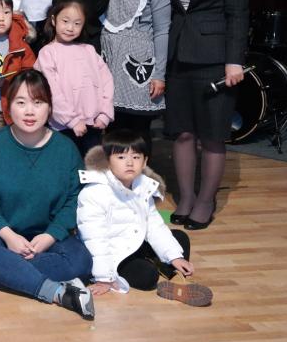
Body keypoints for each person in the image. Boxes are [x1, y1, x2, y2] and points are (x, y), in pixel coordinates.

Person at [0, 70, 95, 320]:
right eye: (21, 102)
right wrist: (8, 235)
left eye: (38, 102)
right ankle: (53, 291)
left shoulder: (66, 149)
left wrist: (49, 236)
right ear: (8, 106)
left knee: (81, 262)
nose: (29, 111)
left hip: (46, 237)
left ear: (50, 107)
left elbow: (75, 200)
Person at [164, 0, 249, 230]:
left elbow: (238, 14)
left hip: (215, 60)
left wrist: (234, 61)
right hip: (177, 59)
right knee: (182, 134)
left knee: (212, 135)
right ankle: (186, 197)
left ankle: (205, 200)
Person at [77, 130, 212, 306]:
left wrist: (174, 257)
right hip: (116, 253)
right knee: (147, 277)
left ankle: (172, 272)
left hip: (137, 241)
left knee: (179, 239)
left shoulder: (143, 185)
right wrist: (104, 277)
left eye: (136, 157)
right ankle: (161, 269)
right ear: (107, 161)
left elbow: (154, 225)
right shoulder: (94, 193)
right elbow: (95, 239)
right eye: (121, 157)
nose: (129, 163)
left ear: (145, 162)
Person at [100, 0, 171, 157]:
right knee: (111, 129)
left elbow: (162, 31)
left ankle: (138, 178)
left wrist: (159, 74)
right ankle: (112, 178)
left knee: (138, 132)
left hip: (139, 70)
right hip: (108, 65)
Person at [34, 0, 114, 155]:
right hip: (62, 126)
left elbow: (107, 82)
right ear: (54, 20)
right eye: (65, 21)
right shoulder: (47, 53)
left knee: (93, 166)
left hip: (93, 124)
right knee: (65, 164)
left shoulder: (89, 50)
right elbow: (50, 90)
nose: (70, 28)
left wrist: (105, 114)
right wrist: (71, 120)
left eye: (77, 23)